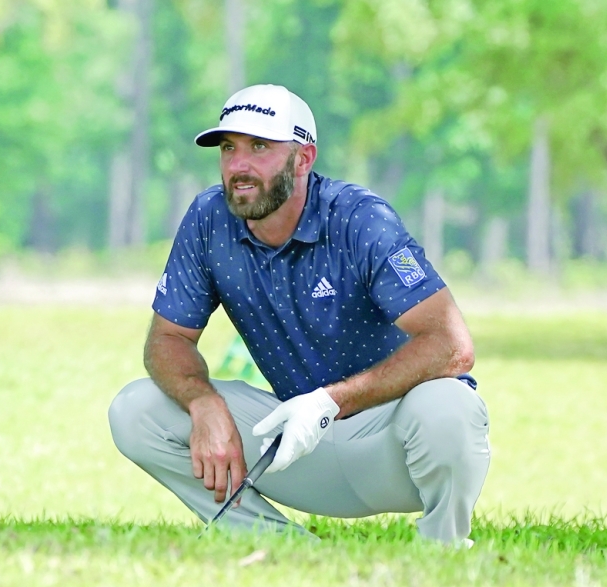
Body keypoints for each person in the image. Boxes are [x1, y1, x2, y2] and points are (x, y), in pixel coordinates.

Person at [108, 84, 490, 544]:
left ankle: (443, 549)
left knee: (449, 404)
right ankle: (279, 545)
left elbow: (452, 345)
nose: (239, 166)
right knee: (136, 410)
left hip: (391, 445)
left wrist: (330, 402)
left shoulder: (360, 219)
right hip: (292, 445)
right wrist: (202, 402)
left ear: (303, 158)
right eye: (229, 149)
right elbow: (167, 339)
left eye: (260, 147)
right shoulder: (209, 217)